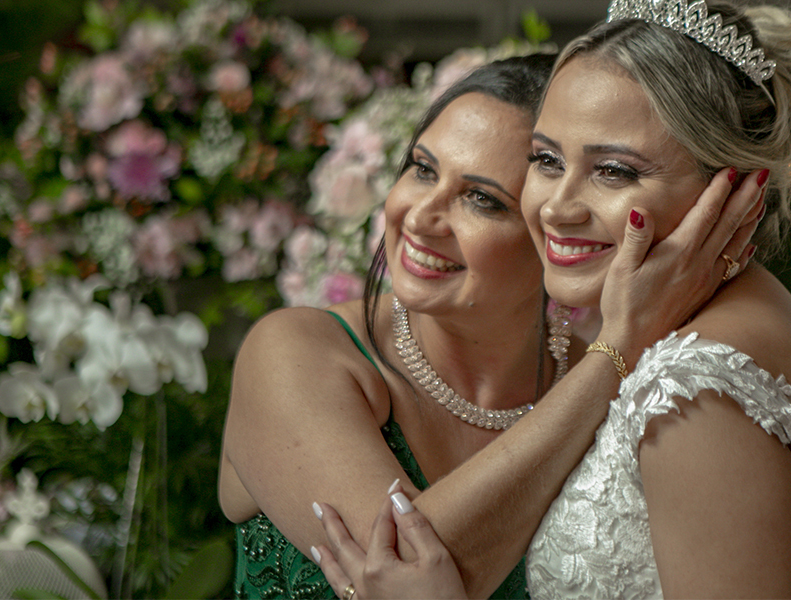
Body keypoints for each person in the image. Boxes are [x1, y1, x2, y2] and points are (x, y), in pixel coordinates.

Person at [314, 0, 791, 599]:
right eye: (546, 160)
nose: (558, 208)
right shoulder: (732, 326)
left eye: (613, 171)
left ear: (734, 187)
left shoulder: (696, 385)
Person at [218, 51, 763, 598]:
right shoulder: (296, 351)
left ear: (553, 231)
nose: (420, 216)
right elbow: (398, 569)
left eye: (482, 199)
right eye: (422, 168)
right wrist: (619, 347)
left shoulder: (639, 384)